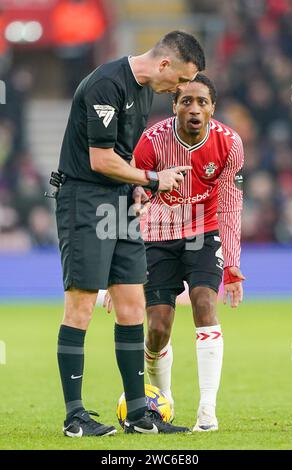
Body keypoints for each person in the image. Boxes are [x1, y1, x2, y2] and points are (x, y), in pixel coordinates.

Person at [55, 31, 205, 437]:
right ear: (163, 65)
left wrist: (136, 184)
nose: (178, 90)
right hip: (84, 199)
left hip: (119, 200)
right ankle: (75, 418)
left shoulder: (143, 92)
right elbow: (100, 159)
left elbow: (120, 156)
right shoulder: (107, 83)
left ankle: (139, 414)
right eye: (179, 80)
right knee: (81, 306)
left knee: (132, 305)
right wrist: (153, 179)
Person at [125, 74, 245, 431]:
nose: (194, 109)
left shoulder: (229, 144)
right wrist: (121, 270)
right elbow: (132, 200)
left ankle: (207, 412)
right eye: (186, 101)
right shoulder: (151, 142)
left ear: (213, 108)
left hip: (204, 232)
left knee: (205, 304)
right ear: (174, 105)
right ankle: (163, 406)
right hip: (158, 235)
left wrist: (233, 264)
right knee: (158, 327)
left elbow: (230, 205)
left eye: (202, 102)